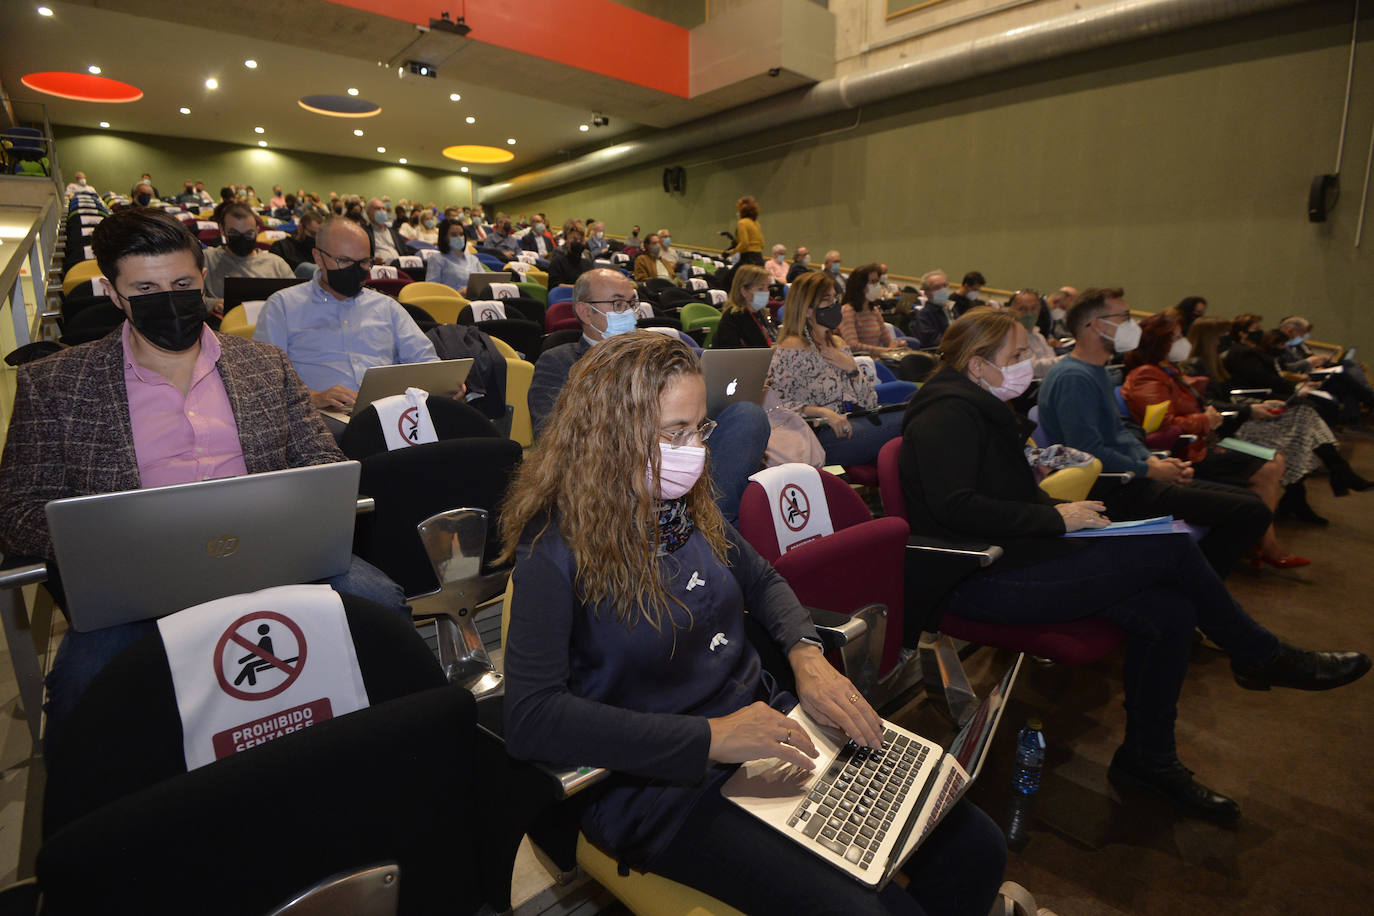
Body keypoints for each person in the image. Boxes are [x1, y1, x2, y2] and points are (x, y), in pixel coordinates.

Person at [503, 331, 1008, 916]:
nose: (696, 451)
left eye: (699, 430)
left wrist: (806, 657)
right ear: (608, 437)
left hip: (770, 732)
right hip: (662, 790)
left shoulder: (682, 511)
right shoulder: (553, 549)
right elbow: (530, 718)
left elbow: (764, 581)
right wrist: (713, 738)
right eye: (675, 434)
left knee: (975, 846)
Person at [899, 306, 1368, 822]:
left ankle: (1149, 758)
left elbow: (993, 494)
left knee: (1168, 611)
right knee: (1169, 545)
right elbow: (955, 507)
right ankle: (1260, 655)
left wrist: (1058, 511)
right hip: (979, 577)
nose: (1026, 365)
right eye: (1014, 356)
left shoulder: (972, 404)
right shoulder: (946, 412)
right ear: (977, 363)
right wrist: (1060, 520)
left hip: (1015, 556)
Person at [0, 208, 409, 739]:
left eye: (182, 283)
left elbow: (321, 460)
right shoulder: (55, 384)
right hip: (138, 576)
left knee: (385, 608)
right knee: (86, 686)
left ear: (202, 279)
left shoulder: (266, 364)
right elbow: (18, 508)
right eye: (146, 286)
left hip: (271, 551)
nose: (168, 298)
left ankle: (381, 752)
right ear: (114, 292)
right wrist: (106, 538)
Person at [1037, 288, 1273, 578]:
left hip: (1130, 477)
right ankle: (1190, 589)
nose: (1130, 325)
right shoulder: (1074, 377)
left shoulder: (1094, 370)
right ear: (1097, 325)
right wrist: (1147, 470)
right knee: (1252, 512)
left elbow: (1120, 433)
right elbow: (1087, 453)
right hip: (1108, 489)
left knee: (1253, 504)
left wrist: (1155, 463)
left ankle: (1190, 584)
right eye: (1123, 317)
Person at [528, 269, 768, 523]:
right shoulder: (558, 361)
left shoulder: (656, 352)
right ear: (586, 312)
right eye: (618, 304)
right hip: (616, 469)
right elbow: (552, 435)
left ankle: (706, 522)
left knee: (749, 416)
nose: (630, 311)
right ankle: (705, 526)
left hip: (680, 451)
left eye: (633, 303)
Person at [1122, 313, 1306, 568]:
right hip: (1183, 450)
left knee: (1274, 462)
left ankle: (1258, 540)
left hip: (1199, 442)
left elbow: (1192, 408)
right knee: (1266, 470)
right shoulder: (1147, 375)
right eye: (1176, 337)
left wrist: (1208, 417)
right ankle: (1266, 545)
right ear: (1159, 342)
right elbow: (1162, 426)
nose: (1182, 341)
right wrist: (1205, 420)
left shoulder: (1168, 371)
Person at [255, 216, 437, 415]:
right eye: (343, 261)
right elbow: (263, 381)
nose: (356, 270)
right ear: (318, 258)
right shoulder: (282, 306)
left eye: (364, 262)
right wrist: (312, 397)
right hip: (317, 418)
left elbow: (425, 359)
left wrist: (443, 383)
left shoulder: (386, 307)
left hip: (390, 413)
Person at [767, 271, 904, 466]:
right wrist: (821, 412)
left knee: (910, 417)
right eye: (826, 299)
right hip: (813, 436)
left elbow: (870, 403)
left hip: (846, 426)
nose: (834, 305)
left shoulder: (838, 344)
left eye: (835, 298)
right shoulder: (791, 347)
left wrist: (851, 368)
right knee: (909, 421)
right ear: (806, 309)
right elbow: (775, 406)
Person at [1223, 323, 1344, 426]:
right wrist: (1295, 387)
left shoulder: (1251, 351)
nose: (1260, 331)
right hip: (1260, 393)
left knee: (1326, 398)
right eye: (1255, 328)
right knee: (1312, 407)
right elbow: (1263, 378)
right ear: (1242, 333)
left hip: (1273, 388)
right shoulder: (1244, 352)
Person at [202, 202, 293, 313]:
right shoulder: (207, 259)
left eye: (249, 234)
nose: (242, 239)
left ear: (257, 230)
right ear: (222, 230)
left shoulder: (276, 264)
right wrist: (214, 304)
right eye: (234, 233)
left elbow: (295, 300)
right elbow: (188, 300)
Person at [1276, 316, 1374, 416]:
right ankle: (1370, 400)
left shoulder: (1299, 346)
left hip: (1313, 374)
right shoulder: (1279, 344)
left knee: (1344, 380)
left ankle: (1353, 419)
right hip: (1301, 380)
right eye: (1302, 333)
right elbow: (1285, 368)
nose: (1305, 336)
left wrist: (1319, 363)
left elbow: (1309, 358)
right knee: (1342, 375)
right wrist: (1309, 362)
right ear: (1290, 331)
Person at [713, 264, 776, 349]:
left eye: (767, 287)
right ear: (744, 291)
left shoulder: (761, 313)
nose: (766, 292)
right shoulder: (734, 317)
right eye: (760, 289)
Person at [1007, 289, 1060, 379]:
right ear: (1011, 310)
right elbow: (1032, 368)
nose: (1029, 313)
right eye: (1022, 309)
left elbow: (1051, 361)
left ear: (1039, 310)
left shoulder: (1039, 336)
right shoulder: (1011, 337)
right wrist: (1067, 359)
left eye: (1033, 308)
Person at [426, 218, 485, 295]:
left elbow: (484, 283)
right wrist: (459, 293)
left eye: (461, 234)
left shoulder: (473, 259)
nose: (459, 237)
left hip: (477, 301)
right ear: (444, 237)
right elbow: (432, 291)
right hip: (452, 303)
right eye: (454, 235)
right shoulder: (436, 259)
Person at [546, 218, 594, 289]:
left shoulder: (588, 257)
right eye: (574, 239)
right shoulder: (558, 256)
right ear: (566, 239)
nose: (578, 242)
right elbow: (555, 285)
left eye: (580, 240)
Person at [912, 270, 953, 348]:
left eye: (945, 285)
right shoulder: (923, 315)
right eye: (937, 287)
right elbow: (933, 341)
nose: (943, 290)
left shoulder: (951, 308)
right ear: (927, 292)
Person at [724, 196, 764, 266]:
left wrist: (732, 252)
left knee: (729, 276)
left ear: (742, 210)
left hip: (748, 259)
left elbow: (744, 243)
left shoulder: (742, 223)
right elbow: (762, 244)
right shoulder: (756, 223)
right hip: (759, 258)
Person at [363, 198, 405, 263]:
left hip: (400, 267)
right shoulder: (364, 233)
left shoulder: (394, 233)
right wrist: (372, 261)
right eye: (377, 209)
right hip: (379, 269)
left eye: (383, 209)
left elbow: (405, 252)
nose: (382, 211)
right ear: (368, 213)